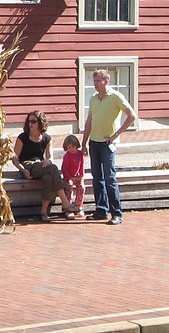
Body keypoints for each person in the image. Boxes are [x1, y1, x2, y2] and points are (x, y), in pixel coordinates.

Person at [81, 69, 137, 225]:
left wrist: (116, 135)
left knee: (109, 177)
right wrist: (84, 142)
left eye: (98, 81)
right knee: (97, 178)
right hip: (94, 141)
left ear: (106, 81)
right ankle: (101, 210)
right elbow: (89, 121)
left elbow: (132, 116)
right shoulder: (93, 98)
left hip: (107, 144)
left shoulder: (116, 97)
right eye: (94, 81)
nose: (95, 84)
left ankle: (116, 213)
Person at [12, 110, 81, 221]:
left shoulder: (47, 138)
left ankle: (43, 212)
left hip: (41, 167)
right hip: (27, 167)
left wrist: (48, 161)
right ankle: (66, 203)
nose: (30, 124)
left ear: (40, 122)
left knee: (48, 178)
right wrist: (23, 170)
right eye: (29, 121)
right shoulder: (23, 137)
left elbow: (50, 157)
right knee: (53, 168)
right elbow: (14, 159)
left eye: (34, 121)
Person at [60, 133, 86, 217]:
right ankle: (68, 208)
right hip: (69, 176)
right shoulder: (67, 156)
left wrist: (81, 176)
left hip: (77, 176)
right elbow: (64, 169)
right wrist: (69, 178)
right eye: (69, 147)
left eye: (73, 147)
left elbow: (82, 165)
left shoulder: (80, 154)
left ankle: (78, 206)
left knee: (81, 187)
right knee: (69, 187)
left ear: (76, 146)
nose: (71, 149)